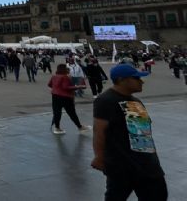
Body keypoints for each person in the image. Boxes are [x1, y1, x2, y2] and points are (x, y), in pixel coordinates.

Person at [91, 64, 167, 200]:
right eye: (137, 78)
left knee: (158, 196)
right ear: (122, 79)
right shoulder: (106, 100)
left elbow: (144, 133)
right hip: (122, 166)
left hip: (148, 165)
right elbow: (99, 131)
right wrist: (99, 156)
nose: (141, 81)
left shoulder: (136, 101)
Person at [48, 64, 90, 135]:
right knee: (71, 113)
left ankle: (57, 128)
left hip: (55, 96)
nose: (68, 69)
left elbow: (49, 84)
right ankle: (80, 127)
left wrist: (56, 88)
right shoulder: (65, 77)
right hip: (65, 97)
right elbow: (66, 87)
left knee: (57, 112)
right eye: (66, 68)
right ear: (64, 69)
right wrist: (78, 86)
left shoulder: (54, 76)